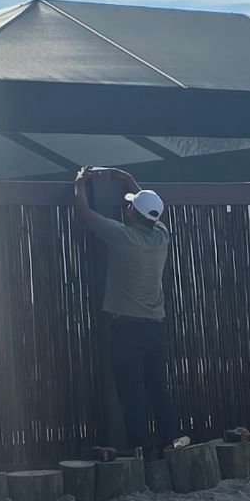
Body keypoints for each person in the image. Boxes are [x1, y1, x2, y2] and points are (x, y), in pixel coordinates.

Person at [72, 167, 186, 455]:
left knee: (132, 392)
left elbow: (85, 214)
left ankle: (140, 450)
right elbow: (151, 211)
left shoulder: (122, 236)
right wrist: (130, 182)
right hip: (156, 327)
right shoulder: (162, 238)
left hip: (127, 329)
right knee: (159, 389)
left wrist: (79, 184)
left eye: (130, 207)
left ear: (133, 214)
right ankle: (171, 443)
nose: (126, 210)